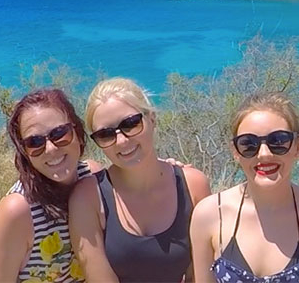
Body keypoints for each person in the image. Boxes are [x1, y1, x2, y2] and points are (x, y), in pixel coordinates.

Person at [69, 77, 211, 282]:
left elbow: (200, 274)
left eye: (130, 124)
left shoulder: (194, 186)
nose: (122, 141)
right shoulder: (87, 198)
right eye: (105, 134)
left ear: (151, 119)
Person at [189, 92, 299, 283]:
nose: (264, 154)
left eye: (278, 141)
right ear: (235, 152)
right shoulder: (210, 214)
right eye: (249, 144)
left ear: (298, 147)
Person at [0, 88, 97, 283]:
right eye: (35, 142)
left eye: (60, 133)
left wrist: (165, 169)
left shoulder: (92, 177)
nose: (51, 148)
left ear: (78, 134)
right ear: (25, 152)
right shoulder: (18, 211)